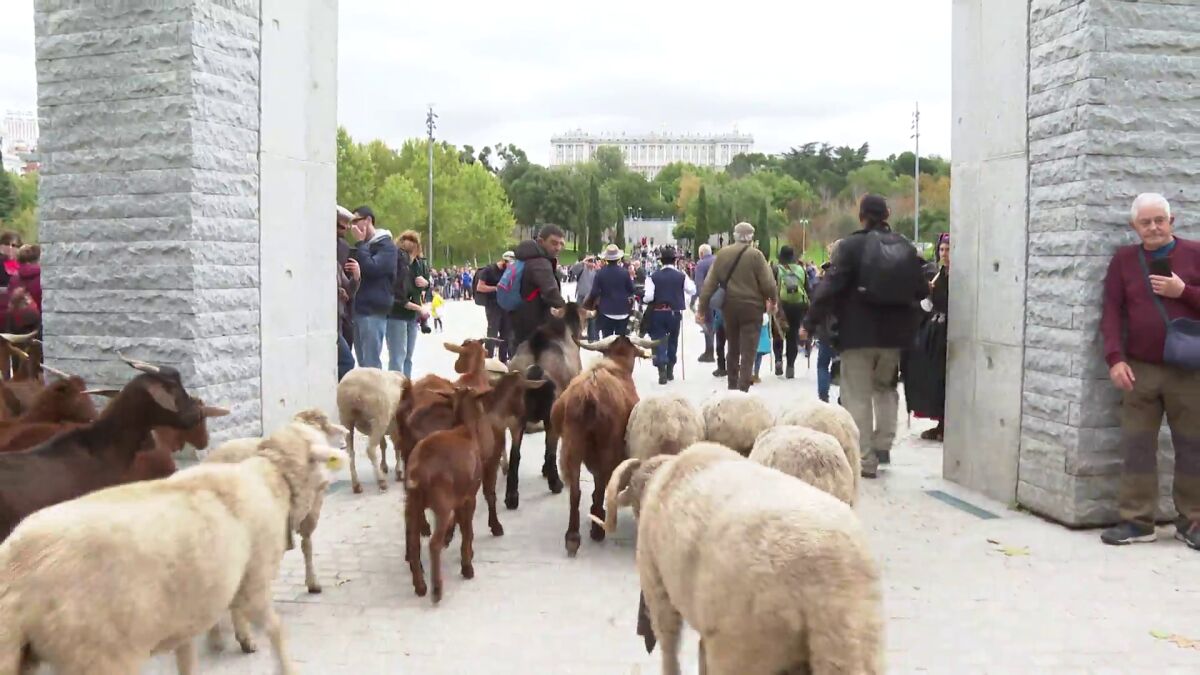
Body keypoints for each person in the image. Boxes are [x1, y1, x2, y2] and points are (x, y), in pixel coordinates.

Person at [1099, 193, 1200, 549]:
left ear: (1172, 221)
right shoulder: (1124, 261)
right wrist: (1115, 358)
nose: (1154, 227)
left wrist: (1183, 291)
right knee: (1137, 445)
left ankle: (1193, 521)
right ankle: (1137, 521)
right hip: (1140, 369)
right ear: (1135, 226)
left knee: (1193, 446)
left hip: (1189, 370)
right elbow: (1111, 311)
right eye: (1146, 222)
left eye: (1160, 220)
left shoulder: (1195, 253)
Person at [803, 195, 927, 479]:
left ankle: (865, 458)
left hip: (857, 335)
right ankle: (884, 445)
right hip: (894, 337)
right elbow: (921, 289)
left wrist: (809, 322)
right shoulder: (905, 247)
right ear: (887, 215)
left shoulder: (851, 246)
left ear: (861, 216)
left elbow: (830, 287)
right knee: (886, 388)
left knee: (856, 395)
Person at [698, 222, 777, 392]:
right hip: (752, 308)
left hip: (730, 307)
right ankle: (743, 389)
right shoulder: (756, 255)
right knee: (748, 351)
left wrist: (701, 309)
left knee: (732, 347)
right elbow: (768, 283)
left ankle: (732, 386)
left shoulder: (722, 254)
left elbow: (709, 285)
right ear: (751, 237)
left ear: (735, 236)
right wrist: (773, 300)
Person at [903, 233, 951, 442]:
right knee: (929, 375)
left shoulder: (954, 276)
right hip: (935, 331)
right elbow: (928, 305)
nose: (944, 254)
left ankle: (946, 424)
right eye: (942, 249)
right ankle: (940, 421)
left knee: (942, 378)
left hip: (947, 332)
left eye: (948, 250)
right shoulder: (939, 274)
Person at [348, 206, 397, 369]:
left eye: (356, 221)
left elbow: (373, 268)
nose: (352, 226)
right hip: (359, 309)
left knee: (371, 363)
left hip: (374, 309)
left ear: (368, 220)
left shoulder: (386, 246)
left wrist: (361, 244)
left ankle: (376, 387)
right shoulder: (363, 247)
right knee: (362, 363)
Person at [644, 245, 696, 384]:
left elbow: (649, 297)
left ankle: (661, 367)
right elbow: (692, 290)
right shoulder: (681, 276)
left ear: (661, 261)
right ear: (675, 260)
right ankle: (670, 370)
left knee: (658, 340)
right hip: (674, 312)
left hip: (658, 312)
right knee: (673, 340)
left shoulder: (653, 276)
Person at [511, 224, 567, 348]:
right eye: (554, 243)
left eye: (561, 244)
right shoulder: (540, 262)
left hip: (520, 319)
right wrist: (567, 311)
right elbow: (551, 292)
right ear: (541, 241)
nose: (558, 248)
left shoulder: (527, 258)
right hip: (534, 325)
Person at [388, 230, 430, 378]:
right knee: (398, 356)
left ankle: (406, 384)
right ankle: (396, 385)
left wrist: (426, 283)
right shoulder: (396, 265)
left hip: (413, 316)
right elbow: (398, 297)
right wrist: (420, 308)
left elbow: (427, 288)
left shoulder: (419, 264)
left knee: (408, 357)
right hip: (397, 314)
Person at [772, 245, 810, 379]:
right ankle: (790, 366)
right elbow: (807, 289)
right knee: (792, 336)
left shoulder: (776, 269)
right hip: (798, 306)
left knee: (778, 333)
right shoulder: (801, 269)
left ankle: (778, 360)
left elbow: (771, 287)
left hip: (781, 305)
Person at [474, 251, 516, 361]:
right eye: (509, 264)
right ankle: (489, 358)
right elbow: (480, 287)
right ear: (503, 261)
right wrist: (496, 288)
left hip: (505, 305)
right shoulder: (489, 270)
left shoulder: (510, 271)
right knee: (492, 332)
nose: (510, 268)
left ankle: (503, 360)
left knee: (506, 333)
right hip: (492, 306)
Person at [587, 244, 636, 338]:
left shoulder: (600, 273)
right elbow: (632, 290)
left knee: (607, 340)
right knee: (620, 340)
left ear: (606, 259)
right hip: (623, 311)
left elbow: (594, 292)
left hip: (606, 310)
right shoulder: (625, 272)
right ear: (618, 259)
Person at [335, 206, 360, 380]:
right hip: (328, 320)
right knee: (346, 361)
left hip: (339, 318)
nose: (343, 232)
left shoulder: (340, 253)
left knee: (345, 361)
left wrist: (356, 276)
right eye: (340, 227)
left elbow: (349, 291)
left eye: (345, 228)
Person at [693, 244, 717, 362]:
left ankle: (709, 352)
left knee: (708, 324)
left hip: (709, 299)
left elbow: (699, 285)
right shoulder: (719, 260)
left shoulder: (701, 264)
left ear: (701, 253)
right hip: (723, 297)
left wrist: (696, 301)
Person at [575, 256, 599, 340]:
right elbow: (573, 270)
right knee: (578, 316)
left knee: (591, 318)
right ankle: (578, 335)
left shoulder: (596, 272)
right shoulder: (581, 269)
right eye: (589, 261)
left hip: (591, 298)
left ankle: (591, 337)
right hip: (581, 296)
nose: (591, 264)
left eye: (592, 262)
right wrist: (583, 261)